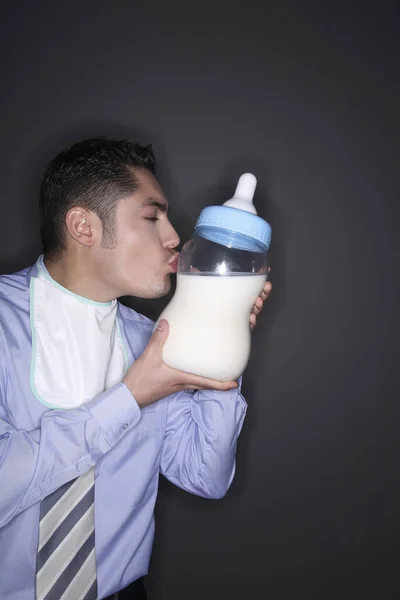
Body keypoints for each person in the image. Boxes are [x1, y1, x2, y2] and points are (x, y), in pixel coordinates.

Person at [0, 138, 272, 600]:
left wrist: (223, 353)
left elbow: (203, 476)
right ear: (83, 226)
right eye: (152, 217)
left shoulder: (154, 340)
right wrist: (127, 398)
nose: (173, 237)